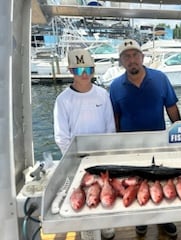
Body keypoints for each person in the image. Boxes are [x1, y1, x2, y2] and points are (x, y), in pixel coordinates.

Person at [109, 39, 181, 237]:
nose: (132, 60)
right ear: (121, 61)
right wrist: (115, 142)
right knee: (136, 182)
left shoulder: (160, 78)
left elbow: (172, 107)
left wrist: (179, 132)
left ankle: (166, 217)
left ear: (142, 57)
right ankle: (140, 218)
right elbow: (114, 117)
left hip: (158, 140)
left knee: (163, 180)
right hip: (129, 145)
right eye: (126, 56)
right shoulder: (115, 86)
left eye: (135, 55)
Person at [53, 48, 116, 240]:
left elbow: (110, 127)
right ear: (71, 71)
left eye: (89, 69)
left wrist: (107, 154)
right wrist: (74, 159)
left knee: (104, 195)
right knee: (84, 199)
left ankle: (106, 227)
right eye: (80, 70)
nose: (85, 74)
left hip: (102, 157)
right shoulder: (63, 100)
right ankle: (89, 233)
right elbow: (61, 136)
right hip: (77, 160)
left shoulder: (102, 94)